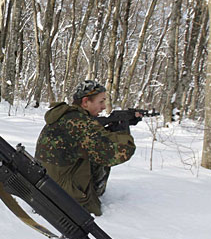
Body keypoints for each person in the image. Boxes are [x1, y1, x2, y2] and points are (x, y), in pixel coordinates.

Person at [34, 80, 137, 216]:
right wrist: (123, 132)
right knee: (99, 156)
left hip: (46, 185)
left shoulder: (66, 116)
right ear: (85, 102)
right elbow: (115, 153)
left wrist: (110, 130)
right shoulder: (80, 123)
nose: (103, 107)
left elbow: (89, 139)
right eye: (101, 102)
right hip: (62, 196)